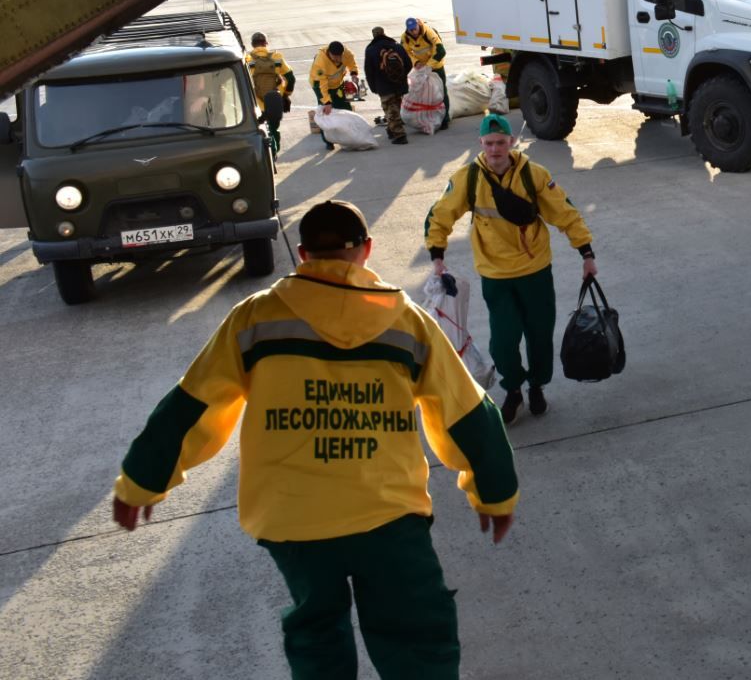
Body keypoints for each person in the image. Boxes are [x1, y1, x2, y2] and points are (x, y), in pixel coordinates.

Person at [111, 199, 518, 678]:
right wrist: (494, 494)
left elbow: (190, 409)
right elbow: (468, 414)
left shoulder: (255, 319)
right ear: (366, 250)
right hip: (387, 517)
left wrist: (141, 482)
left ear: (302, 254)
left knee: (317, 633)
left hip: (292, 519)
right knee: (416, 634)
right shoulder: (407, 322)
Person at [424, 113, 597, 424]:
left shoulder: (534, 174)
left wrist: (586, 253)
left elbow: (565, 213)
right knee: (503, 341)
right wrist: (437, 255)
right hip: (496, 274)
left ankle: (537, 386)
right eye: (489, 143)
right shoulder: (469, 178)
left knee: (539, 336)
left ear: (512, 142)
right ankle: (513, 388)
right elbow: (440, 215)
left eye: (501, 143)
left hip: (535, 271)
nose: (494, 150)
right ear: (480, 144)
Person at [245, 31, 294, 154]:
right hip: (275, 99)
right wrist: (286, 95)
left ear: (252, 44)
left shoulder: (247, 59)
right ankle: (274, 152)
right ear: (266, 43)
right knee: (273, 128)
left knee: (259, 129)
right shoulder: (276, 58)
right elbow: (291, 78)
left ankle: (265, 153)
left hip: (256, 102)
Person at [364, 26, 412, 145]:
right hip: (399, 83)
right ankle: (391, 130)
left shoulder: (370, 50)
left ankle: (400, 135)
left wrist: (373, 86)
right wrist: (401, 76)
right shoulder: (396, 46)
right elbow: (408, 64)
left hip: (383, 86)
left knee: (390, 109)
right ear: (384, 33)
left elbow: (369, 71)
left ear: (374, 35)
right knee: (395, 107)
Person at [402, 17, 450, 130]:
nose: (413, 32)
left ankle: (445, 119)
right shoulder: (405, 37)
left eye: (415, 29)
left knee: (441, 91)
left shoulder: (428, 32)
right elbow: (405, 52)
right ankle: (427, 116)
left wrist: (429, 65)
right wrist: (416, 62)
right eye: (410, 30)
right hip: (421, 68)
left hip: (435, 66)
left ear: (418, 25)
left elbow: (441, 51)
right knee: (423, 93)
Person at [310, 40, 359, 150]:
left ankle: (350, 135)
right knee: (325, 112)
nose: (338, 59)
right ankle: (328, 141)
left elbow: (351, 62)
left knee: (345, 107)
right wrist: (327, 102)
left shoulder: (346, 53)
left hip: (337, 84)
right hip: (320, 86)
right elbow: (321, 84)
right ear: (329, 53)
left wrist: (354, 73)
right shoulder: (320, 62)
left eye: (339, 56)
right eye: (335, 56)